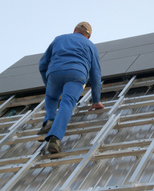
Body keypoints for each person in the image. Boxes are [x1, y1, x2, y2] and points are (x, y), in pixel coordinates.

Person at [38, 21, 104, 154]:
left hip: (55, 72)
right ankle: (55, 139)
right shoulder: (91, 46)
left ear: (74, 30)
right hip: (77, 74)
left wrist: (48, 83)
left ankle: (50, 119)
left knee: (51, 97)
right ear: (88, 36)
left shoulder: (59, 39)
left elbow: (42, 64)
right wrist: (96, 100)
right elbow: (95, 75)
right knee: (67, 104)